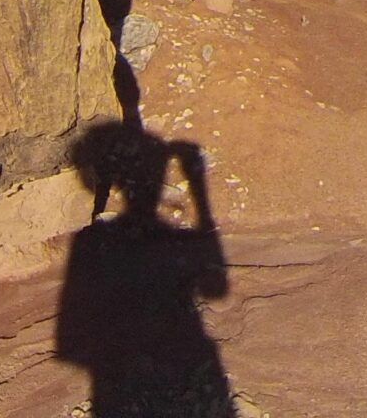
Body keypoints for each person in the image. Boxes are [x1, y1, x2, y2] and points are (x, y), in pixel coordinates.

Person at [54, 119, 233, 417]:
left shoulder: (92, 241)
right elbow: (217, 287)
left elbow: (72, 342)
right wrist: (199, 194)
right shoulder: (173, 241)